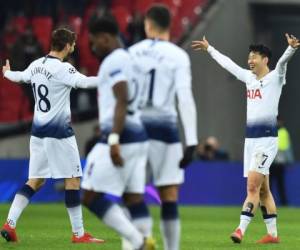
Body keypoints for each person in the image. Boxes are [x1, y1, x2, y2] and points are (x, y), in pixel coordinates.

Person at [192, 34, 299, 244]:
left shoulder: (276, 77)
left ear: (265, 60)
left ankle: (240, 230)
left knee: (252, 188)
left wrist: (291, 49)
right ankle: (272, 235)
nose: (250, 60)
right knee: (264, 189)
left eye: (254, 57)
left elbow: (283, 62)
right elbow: (228, 65)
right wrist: (210, 48)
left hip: (266, 141)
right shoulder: (249, 78)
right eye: (249, 57)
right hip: (250, 141)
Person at [1, 28, 104, 244]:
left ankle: (9, 224)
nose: (74, 48)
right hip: (59, 135)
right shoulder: (63, 69)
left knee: (35, 181)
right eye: (73, 44)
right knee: (73, 179)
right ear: (66, 45)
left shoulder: (37, 64)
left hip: (37, 134)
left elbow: (20, 77)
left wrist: (7, 73)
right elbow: (85, 82)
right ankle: (79, 234)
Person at [127, 5, 198, 250]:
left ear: (147, 24)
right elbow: (184, 98)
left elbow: (119, 95)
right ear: (170, 25)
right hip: (165, 132)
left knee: (133, 194)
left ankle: (138, 243)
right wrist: (191, 140)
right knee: (169, 195)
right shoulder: (178, 56)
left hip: (134, 130)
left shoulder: (131, 53)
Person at [80, 15, 153, 250]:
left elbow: (121, 97)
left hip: (120, 136)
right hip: (138, 134)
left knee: (90, 196)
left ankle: (138, 241)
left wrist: (113, 139)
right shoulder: (132, 58)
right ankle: (143, 241)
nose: (92, 48)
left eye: (93, 42)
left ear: (105, 38)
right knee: (133, 198)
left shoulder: (114, 60)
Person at [270, 117, 294, 206]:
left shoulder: (283, 132)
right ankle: (269, 203)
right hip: (270, 162)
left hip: (279, 162)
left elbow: (287, 147)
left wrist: (290, 161)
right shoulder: (270, 131)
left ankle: (284, 203)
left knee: (280, 184)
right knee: (269, 185)